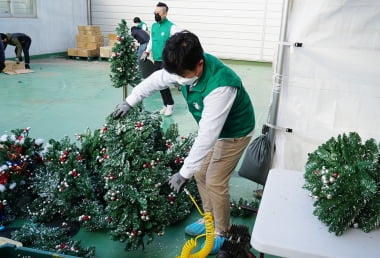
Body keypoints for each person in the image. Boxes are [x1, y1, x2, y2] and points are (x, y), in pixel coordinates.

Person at [114, 31, 256, 255]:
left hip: (235, 132)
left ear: (199, 64)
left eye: (183, 76)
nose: (178, 81)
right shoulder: (184, 66)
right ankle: (209, 219)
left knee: (215, 179)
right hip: (214, 131)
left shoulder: (221, 85)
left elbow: (207, 137)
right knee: (200, 173)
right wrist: (129, 101)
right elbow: (155, 80)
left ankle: (222, 231)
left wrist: (183, 174)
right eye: (176, 75)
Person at [140, 2, 179, 116]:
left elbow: (178, 44)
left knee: (163, 82)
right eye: (155, 13)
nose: (156, 15)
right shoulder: (154, 26)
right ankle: (166, 104)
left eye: (159, 13)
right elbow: (152, 40)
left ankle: (170, 104)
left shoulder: (172, 27)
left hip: (167, 60)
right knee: (158, 83)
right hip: (156, 59)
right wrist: (146, 51)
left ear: (165, 14)